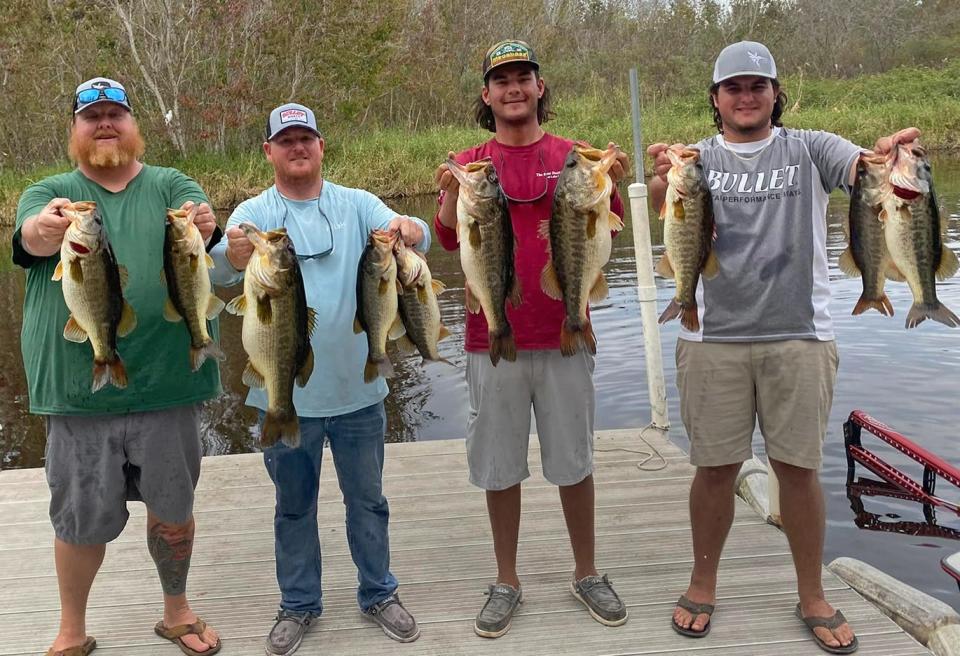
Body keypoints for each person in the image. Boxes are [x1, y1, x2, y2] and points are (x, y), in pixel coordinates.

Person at [648, 41, 919, 654]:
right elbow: (669, 214)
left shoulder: (811, 148)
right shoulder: (699, 159)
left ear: (776, 94)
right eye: (733, 88)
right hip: (710, 336)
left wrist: (888, 159)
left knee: (797, 470)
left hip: (800, 336)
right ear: (715, 99)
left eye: (758, 86)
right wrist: (665, 182)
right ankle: (702, 582)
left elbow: (861, 168)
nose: (747, 97)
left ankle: (812, 593)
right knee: (713, 469)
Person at [13, 77, 224, 656]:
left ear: (134, 125)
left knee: (173, 511)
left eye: (116, 114)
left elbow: (202, 226)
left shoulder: (169, 185)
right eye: (91, 116)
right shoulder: (49, 190)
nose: (105, 124)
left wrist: (206, 227)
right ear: (74, 131)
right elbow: (29, 238)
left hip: (169, 383)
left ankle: (176, 611)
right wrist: (46, 228)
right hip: (77, 394)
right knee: (78, 519)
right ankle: (72, 629)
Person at [209, 103, 429, 655]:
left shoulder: (357, 205)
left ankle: (379, 592)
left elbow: (419, 235)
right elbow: (215, 270)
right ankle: (299, 604)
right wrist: (230, 254)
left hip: (360, 393)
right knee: (293, 507)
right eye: (286, 140)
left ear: (321, 145)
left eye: (306, 137)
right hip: (281, 396)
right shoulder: (254, 213)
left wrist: (407, 226)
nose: (297, 147)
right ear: (269, 152)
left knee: (369, 501)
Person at [433, 40, 631, 638]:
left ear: (540, 88)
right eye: (502, 80)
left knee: (574, 461)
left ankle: (587, 571)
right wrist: (449, 191)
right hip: (491, 335)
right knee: (498, 465)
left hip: (566, 332)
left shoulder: (576, 158)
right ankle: (506, 580)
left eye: (524, 77)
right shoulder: (471, 163)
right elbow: (448, 241)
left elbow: (609, 226)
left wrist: (611, 179)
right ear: (486, 95)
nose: (513, 88)